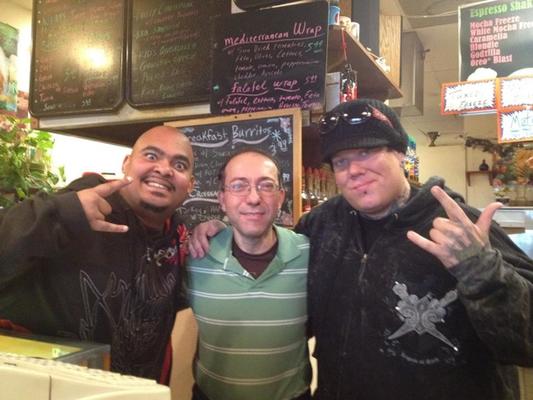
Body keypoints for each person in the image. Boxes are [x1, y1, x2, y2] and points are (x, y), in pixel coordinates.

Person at [189, 99, 533, 400]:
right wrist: (223, 231)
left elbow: (525, 344)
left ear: (400, 153)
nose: (354, 170)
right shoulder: (320, 226)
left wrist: (481, 271)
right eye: (341, 162)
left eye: (366, 152)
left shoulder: (459, 226)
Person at [0, 125, 195, 382]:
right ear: (126, 163)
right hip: (50, 389)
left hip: (137, 392)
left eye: (179, 165)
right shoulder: (78, 203)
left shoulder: (178, 240)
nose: (164, 169)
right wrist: (64, 213)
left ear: (190, 185)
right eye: (151, 155)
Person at [187, 148, 311, 400]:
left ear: (280, 197)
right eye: (238, 186)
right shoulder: (195, 256)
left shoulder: (310, 255)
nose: (253, 198)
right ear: (222, 199)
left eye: (266, 186)